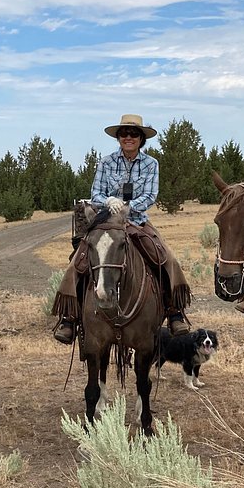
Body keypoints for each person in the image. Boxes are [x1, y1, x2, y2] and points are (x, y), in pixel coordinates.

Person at [51, 113, 192, 344]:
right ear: (118, 137)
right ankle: (70, 316)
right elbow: (96, 192)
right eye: (124, 133)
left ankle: (174, 311)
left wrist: (127, 207)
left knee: (166, 256)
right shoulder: (106, 162)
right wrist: (108, 202)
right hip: (106, 221)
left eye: (134, 133)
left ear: (141, 138)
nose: (128, 137)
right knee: (80, 259)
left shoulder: (151, 164)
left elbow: (150, 195)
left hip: (136, 221)